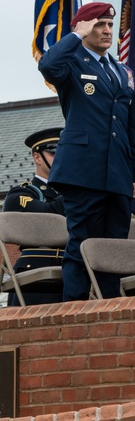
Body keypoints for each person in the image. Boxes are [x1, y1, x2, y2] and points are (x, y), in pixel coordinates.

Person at [37, 2, 135, 301]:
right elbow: (47, 66)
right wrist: (74, 36)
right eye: (99, 25)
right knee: (82, 243)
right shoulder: (72, 61)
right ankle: (75, 310)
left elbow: (131, 129)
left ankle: (106, 311)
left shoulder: (122, 71)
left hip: (118, 174)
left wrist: (134, 175)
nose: (107, 31)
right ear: (83, 28)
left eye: (110, 25)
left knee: (114, 248)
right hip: (82, 170)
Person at [2, 128, 65, 306]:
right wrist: (75, 185)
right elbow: (50, 217)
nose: (62, 158)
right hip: (39, 275)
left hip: (77, 269)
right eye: (54, 153)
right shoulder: (23, 193)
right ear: (37, 157)